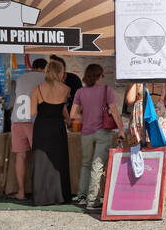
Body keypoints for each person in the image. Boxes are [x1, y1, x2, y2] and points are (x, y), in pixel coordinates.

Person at [71, 63, 123, 210]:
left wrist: (85, 116)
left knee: (86, 164)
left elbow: (72, 115)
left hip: (86, 132)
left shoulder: (80, 92)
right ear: (99, 76)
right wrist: (121, 130)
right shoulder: (107, 90)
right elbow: (114, 112)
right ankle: (92, 200)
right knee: (97, 165)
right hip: (102, 132)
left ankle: (81, 197)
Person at [30, 58, 71, 206]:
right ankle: (59, 196)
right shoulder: (66, 89)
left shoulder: (37, 89)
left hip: (41, 127)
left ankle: (41, 197)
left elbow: (32, 112)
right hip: (58, 127)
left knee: (41, 161)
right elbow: (62, 108)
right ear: (60, 73)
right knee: (58, 160)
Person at [10, 57, 47, 201]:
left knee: (20, 156)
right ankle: (40, 191)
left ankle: (21, 191)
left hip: (17, 119)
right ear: (45, 68)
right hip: (34, 120)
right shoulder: (45, 78)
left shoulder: (21, 77)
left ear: (33, 66)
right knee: (39, 156)